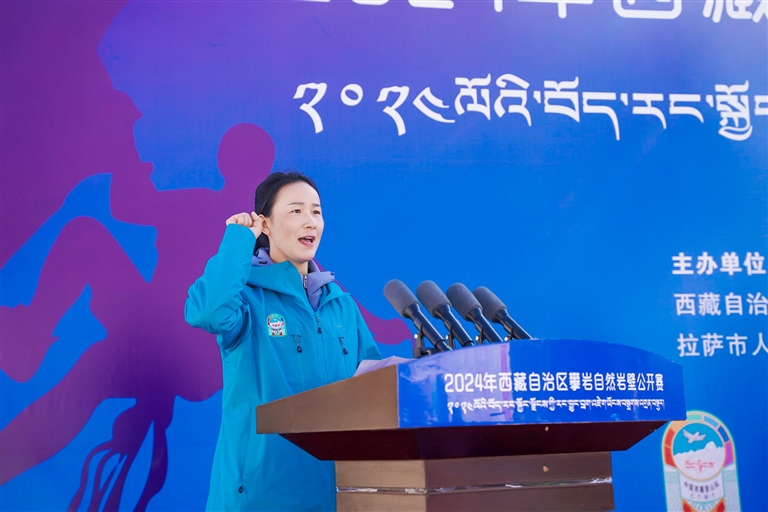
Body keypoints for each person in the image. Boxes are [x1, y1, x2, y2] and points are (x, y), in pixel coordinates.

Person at [184, 171, 381, 511]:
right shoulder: (247, 298)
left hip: (336, 496)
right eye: (296, 211)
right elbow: (207, 311)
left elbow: (375, 387)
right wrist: (238, 240)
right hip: (260, 497)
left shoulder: (341, 304)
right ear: (266, 224)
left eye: (316, 212)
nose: (310, 221)